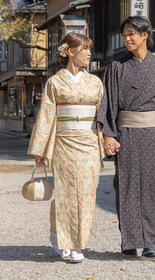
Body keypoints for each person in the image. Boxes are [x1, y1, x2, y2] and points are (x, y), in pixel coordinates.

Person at [97, 15, 155, 261]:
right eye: (124, 34)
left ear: (145, 35)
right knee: (126, 187)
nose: (127, 38)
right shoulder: (116, 67)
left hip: (154, 134)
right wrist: (108, 134)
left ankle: (150, 243)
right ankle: (129, 242)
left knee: (151, 187)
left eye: (132, 34)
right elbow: (109, 105)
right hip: (125, 134)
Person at [28, 32, 104, 264]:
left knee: (87, 194)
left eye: (90, 49)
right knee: (65, 194)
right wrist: (41, 150)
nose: (89, 53)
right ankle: (66, 241)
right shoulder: (54, 82)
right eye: (84, 49)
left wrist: (107, 139)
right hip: (63, 142)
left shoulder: (95, 82)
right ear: (69, 51)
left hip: (89, 141)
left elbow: (102, 116)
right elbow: (47, 116)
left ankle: (78, 243)